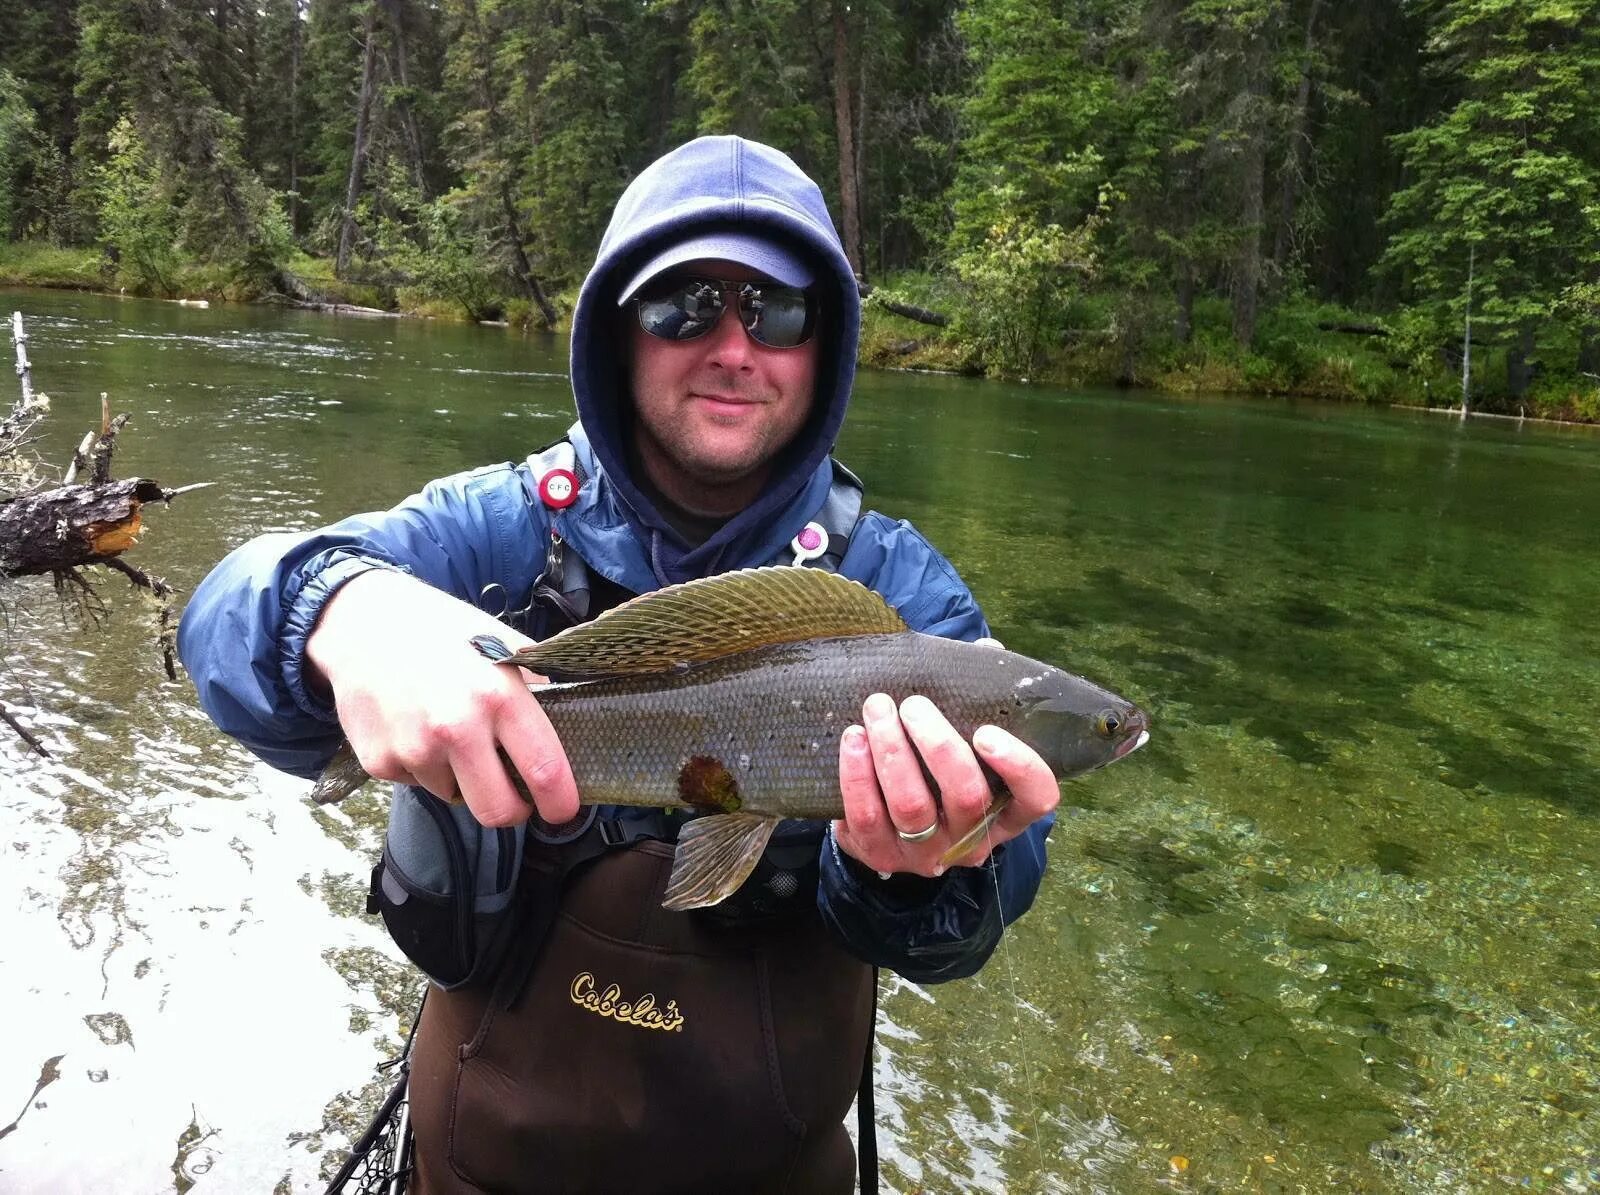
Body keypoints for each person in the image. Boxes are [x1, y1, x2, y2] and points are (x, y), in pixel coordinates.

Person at [179, 135, 1063, 1194]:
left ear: (824, 347)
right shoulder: (499, 533)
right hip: (477, 1165)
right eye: (683, 305)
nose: (734, 346)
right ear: (615, 333)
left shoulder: (901, 598)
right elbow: (225, 613)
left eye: (777, 311)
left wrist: (925, 868)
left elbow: (968, 931)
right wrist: (342, 610)